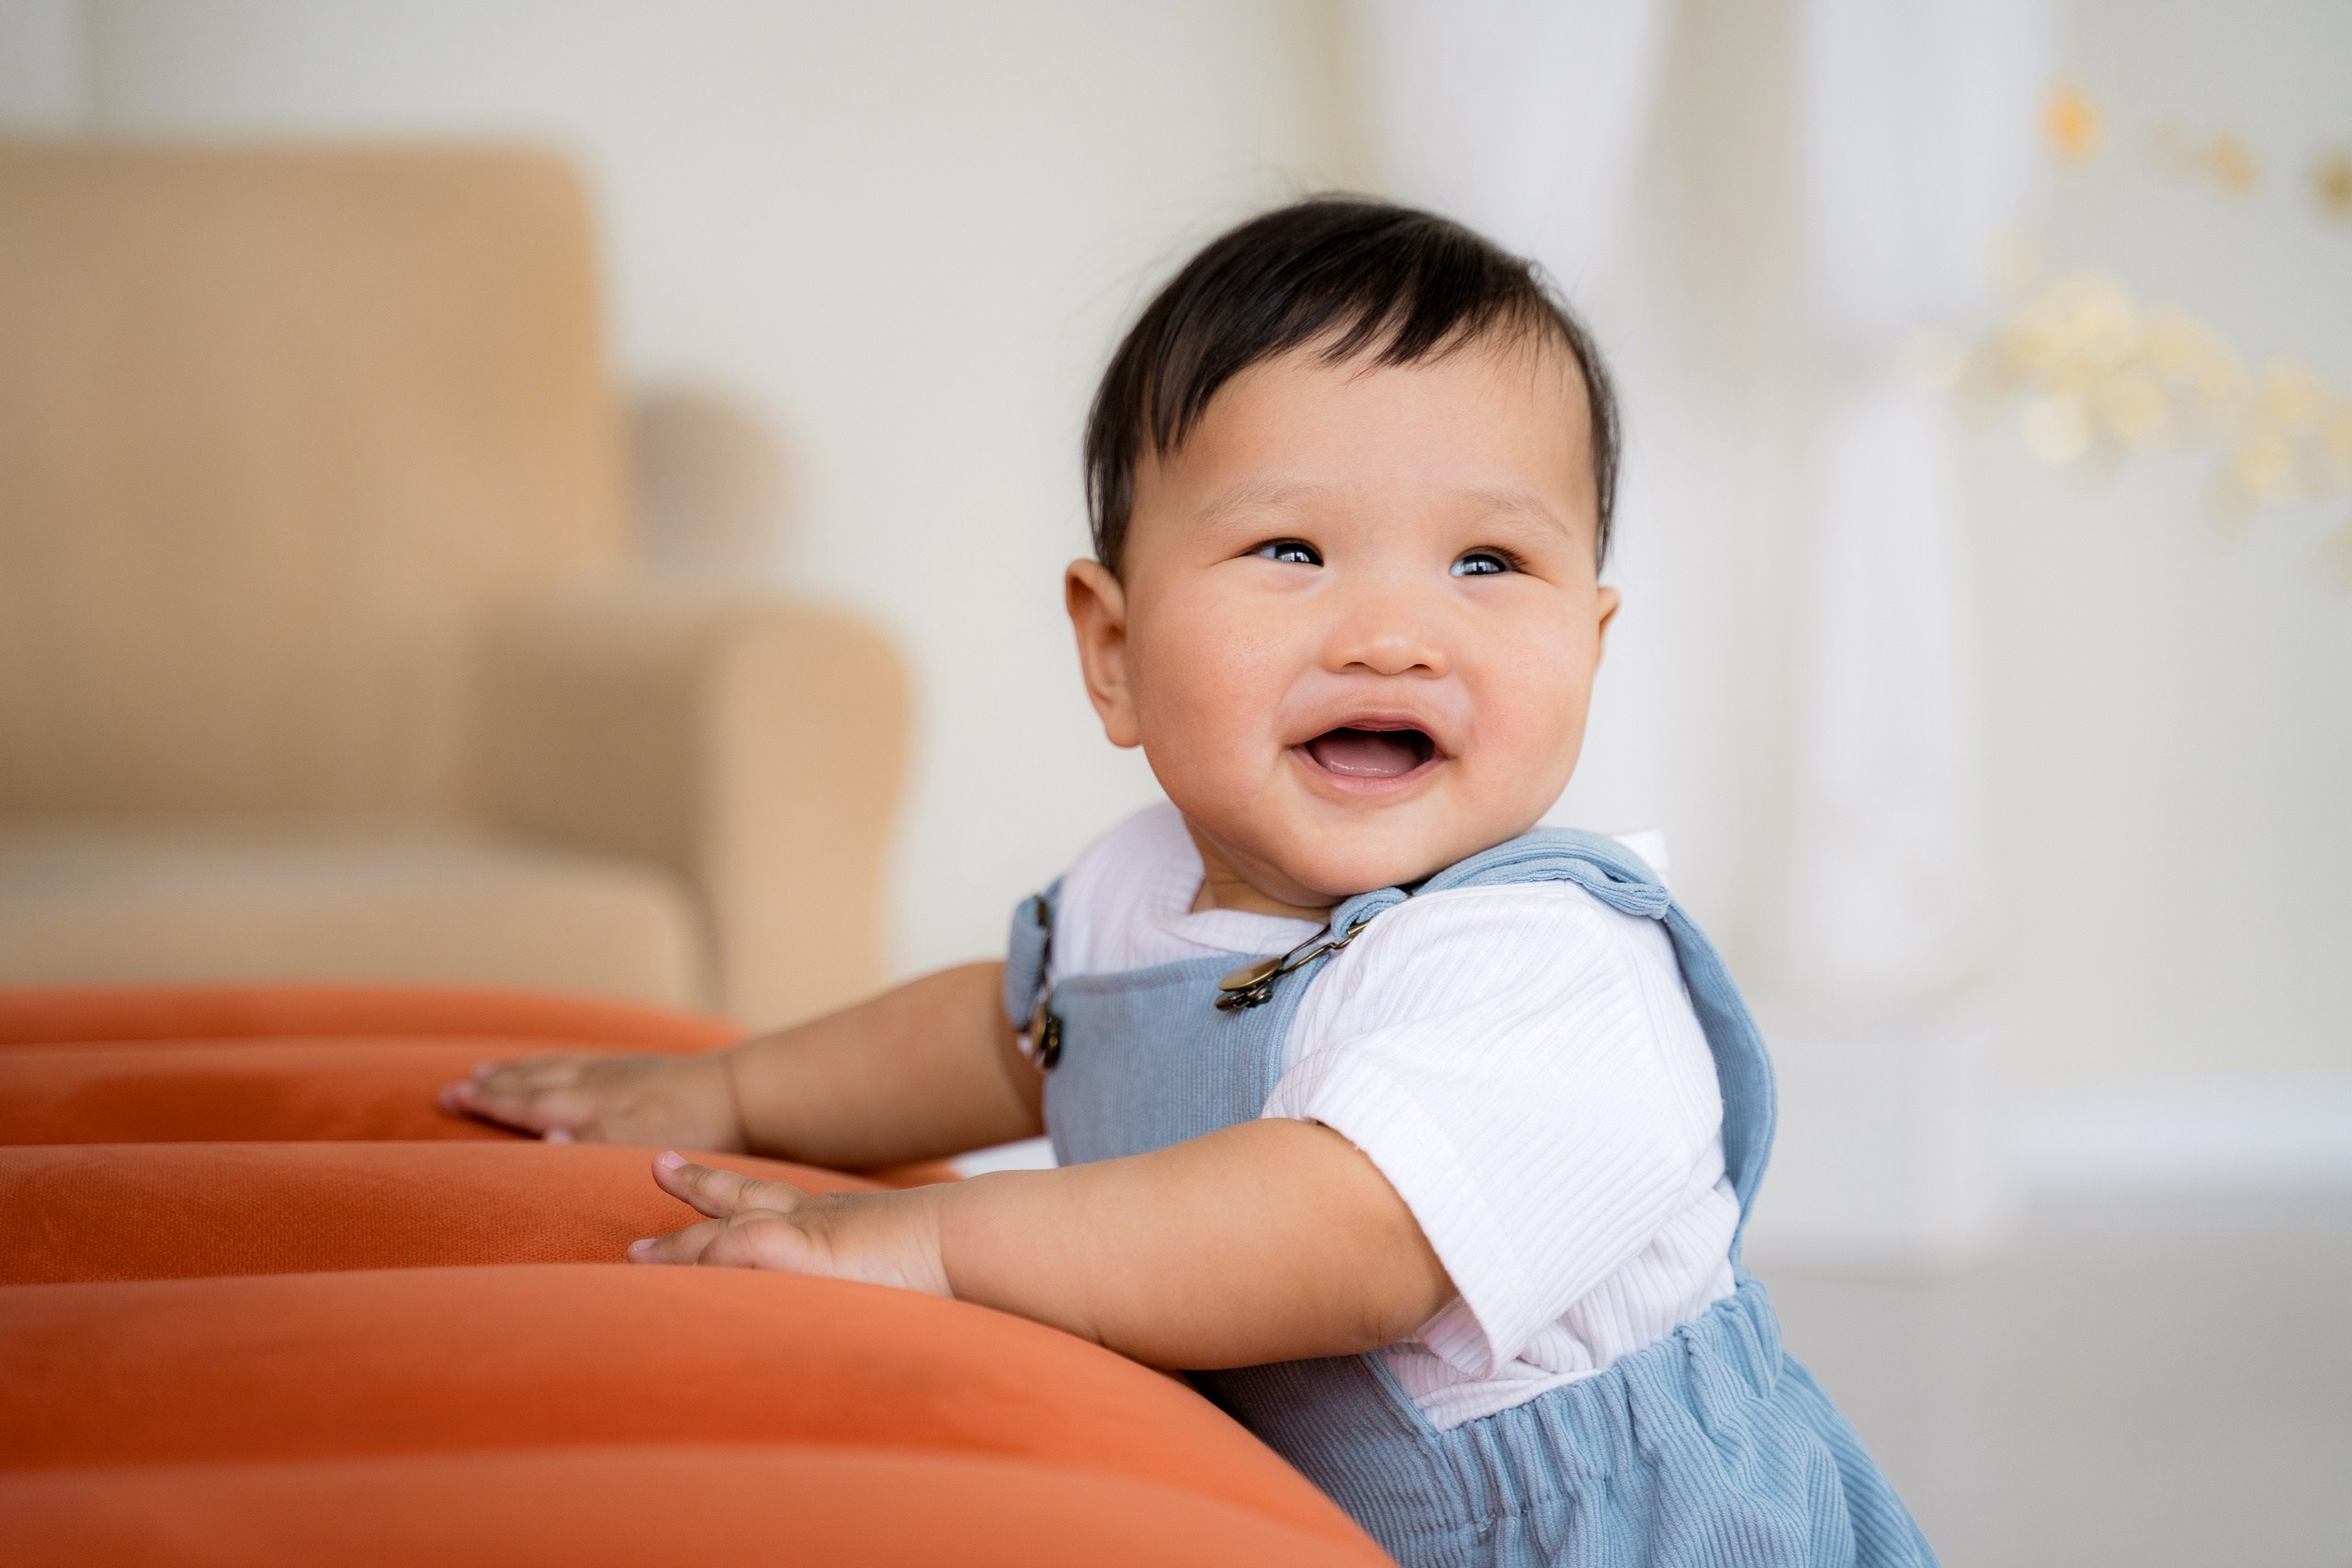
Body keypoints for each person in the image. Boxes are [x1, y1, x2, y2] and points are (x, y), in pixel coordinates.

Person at [444, 197, 1935, 1568]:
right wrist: (735, 1095)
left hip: (1614, 1535)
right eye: (1292, 547)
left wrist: (928, 1241)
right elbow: (1005, 1038)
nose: (1395, 634)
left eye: (1487, 563)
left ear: (1591, 644)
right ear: (1113, 650)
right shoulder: (1137, 886)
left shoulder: (1547, 965)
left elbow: (1343, 1237)